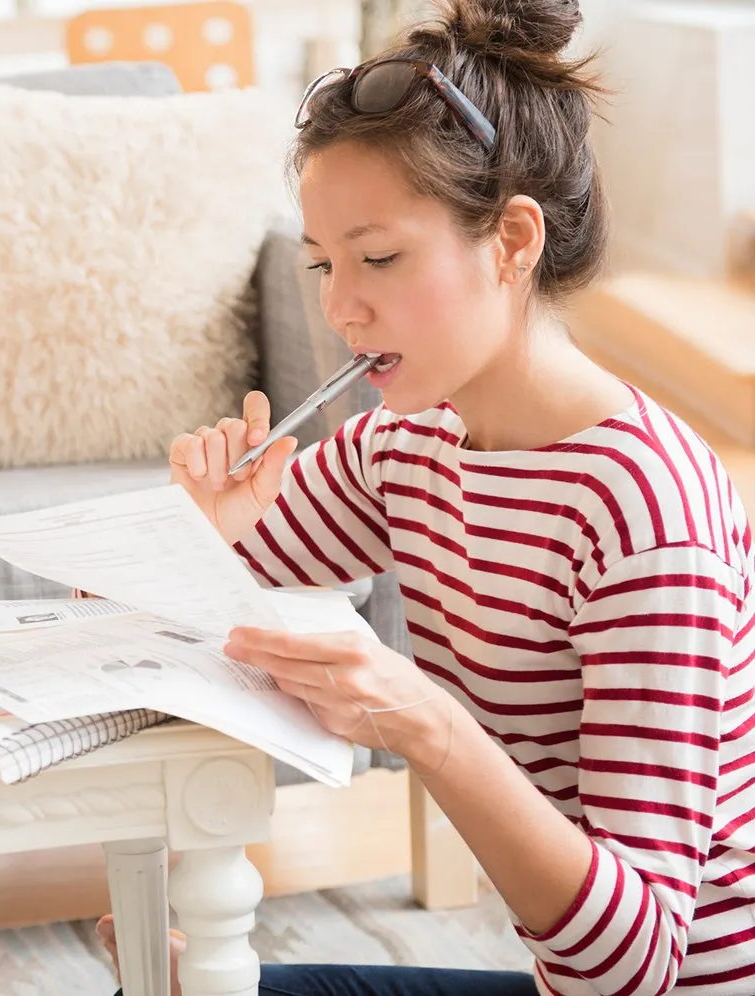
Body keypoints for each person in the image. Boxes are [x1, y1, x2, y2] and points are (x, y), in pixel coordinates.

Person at [96, 0, 755, 994]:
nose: (337, 304)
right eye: (324, 263)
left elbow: (635, 962)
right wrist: (208, 540)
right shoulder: (406, 444)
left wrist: (429, 725)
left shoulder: (644, 516)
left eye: (378, 258)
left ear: (510, 241)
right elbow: (134, 622)